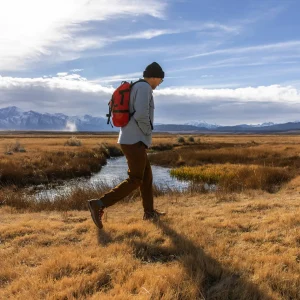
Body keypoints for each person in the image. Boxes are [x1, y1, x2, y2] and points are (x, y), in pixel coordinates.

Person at [87, 62, 166, 229]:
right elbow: (141, 114)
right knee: (135, 179)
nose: (159, 84)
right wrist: (147, 134)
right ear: (155, 77)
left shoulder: (136, 86)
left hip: (130, 138)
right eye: (160, 80)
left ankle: (149, 212)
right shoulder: (144, 88)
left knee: (146, 178)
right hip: (134, 140)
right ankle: (99, 204)